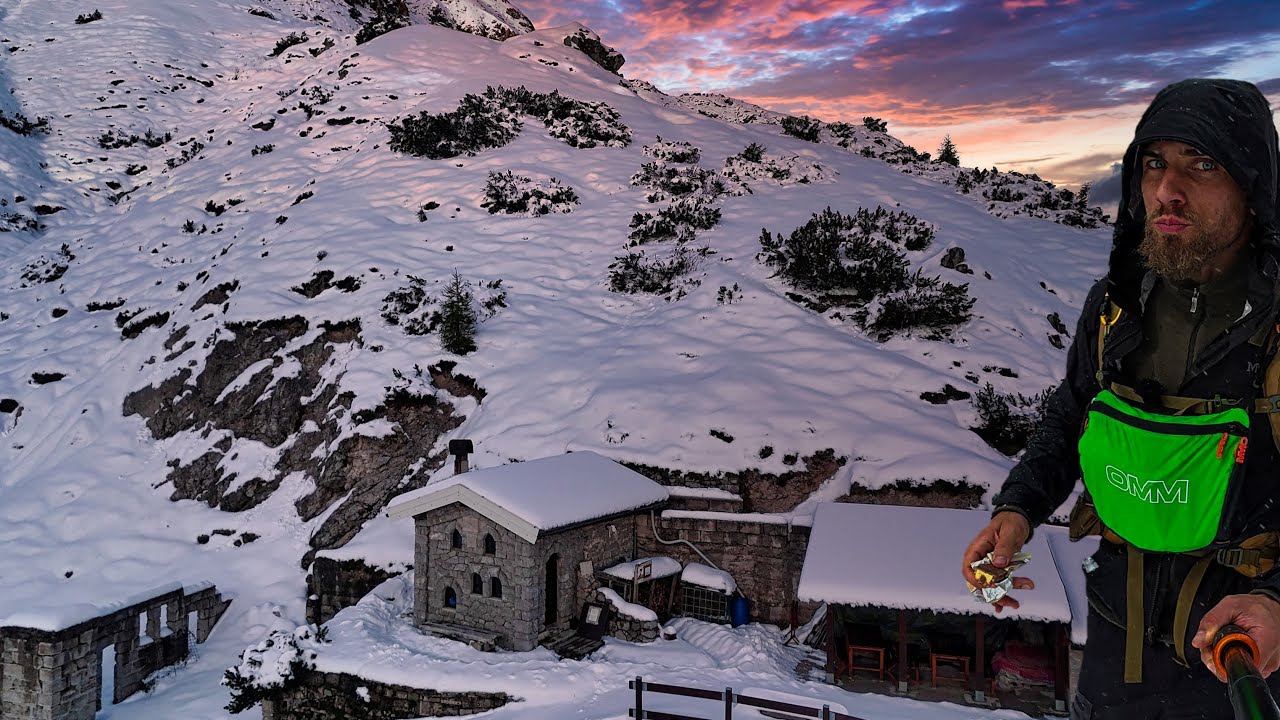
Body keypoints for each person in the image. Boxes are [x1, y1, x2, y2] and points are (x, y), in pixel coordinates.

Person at [962, 78, 1280, 719]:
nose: (1169, 188)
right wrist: (1019, 507)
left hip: (1241, 656)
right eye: (1155, 162)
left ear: (1252, 186)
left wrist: (1277, 599)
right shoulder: (1115, 306)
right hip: (1116, 644)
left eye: (1203, 163)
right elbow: (1074, 412)